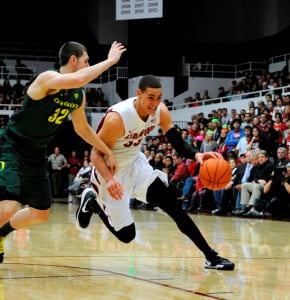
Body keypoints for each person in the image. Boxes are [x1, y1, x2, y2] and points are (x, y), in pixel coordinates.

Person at [76, 75, 235, 270]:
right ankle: (92, 201)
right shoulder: (117, 119)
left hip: (137, 165)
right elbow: (95, 155)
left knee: (174, 208)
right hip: (111, 171)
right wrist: (109, 180)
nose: (155, 103)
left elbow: (176, 140)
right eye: (151, 97)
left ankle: (211, 256)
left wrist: (196, 156)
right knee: (127, 236)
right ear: (139, 94)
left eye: (159, 97)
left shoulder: (160, 110)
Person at [0, 40, 126, 263]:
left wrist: (106, 149)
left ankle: (1, 234)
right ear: (73, 59)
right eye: (87, 61)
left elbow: (82, 128)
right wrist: (111, 61)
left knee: (40, 213)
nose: (89, 65)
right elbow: (78, 78)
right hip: (12, 146)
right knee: (9, 205)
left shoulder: (78, 95)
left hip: (37, 153)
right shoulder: (47, 79)